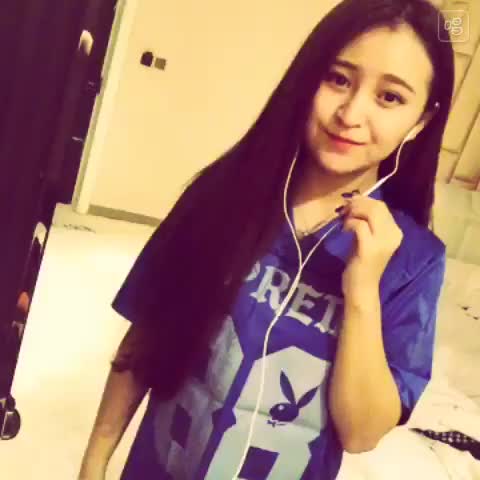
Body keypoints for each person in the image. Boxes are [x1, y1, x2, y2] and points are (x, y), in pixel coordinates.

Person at [78, 0, 455, 478]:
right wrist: (94, 462)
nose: (351, 113)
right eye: (338, 79)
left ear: (421, 120)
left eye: (390, 97)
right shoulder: (220, 195)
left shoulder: (416, 259)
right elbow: (145, 339)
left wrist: (363, 291)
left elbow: (361, 433)